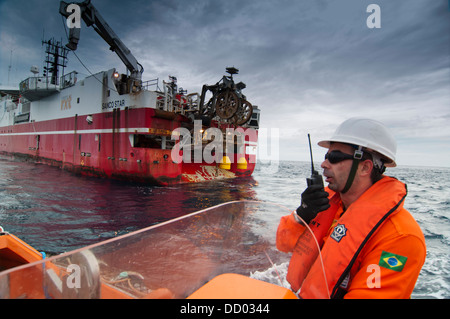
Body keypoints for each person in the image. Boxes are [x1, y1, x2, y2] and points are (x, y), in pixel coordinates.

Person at [276, 118, 426, 299]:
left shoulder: (400, 238)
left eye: (335, 157)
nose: (324, 164)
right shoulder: (324, 204)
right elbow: (283, 245)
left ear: (364, 167)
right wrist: (301, 215)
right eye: (326, 157)